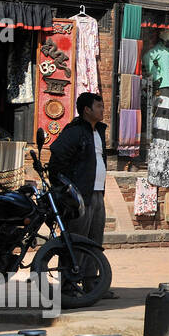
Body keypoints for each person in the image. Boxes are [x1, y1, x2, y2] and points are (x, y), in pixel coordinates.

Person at [47, 92, 108, 243]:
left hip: (98, 193)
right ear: (87, 110)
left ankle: (92, 268)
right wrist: (68, 190)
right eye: (98, 106)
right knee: (77, 242)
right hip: (80, 196)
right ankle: (72, 268)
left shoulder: (99, 131)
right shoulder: (74, 131)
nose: (102, 110)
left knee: (94, 242)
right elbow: (56, 162)